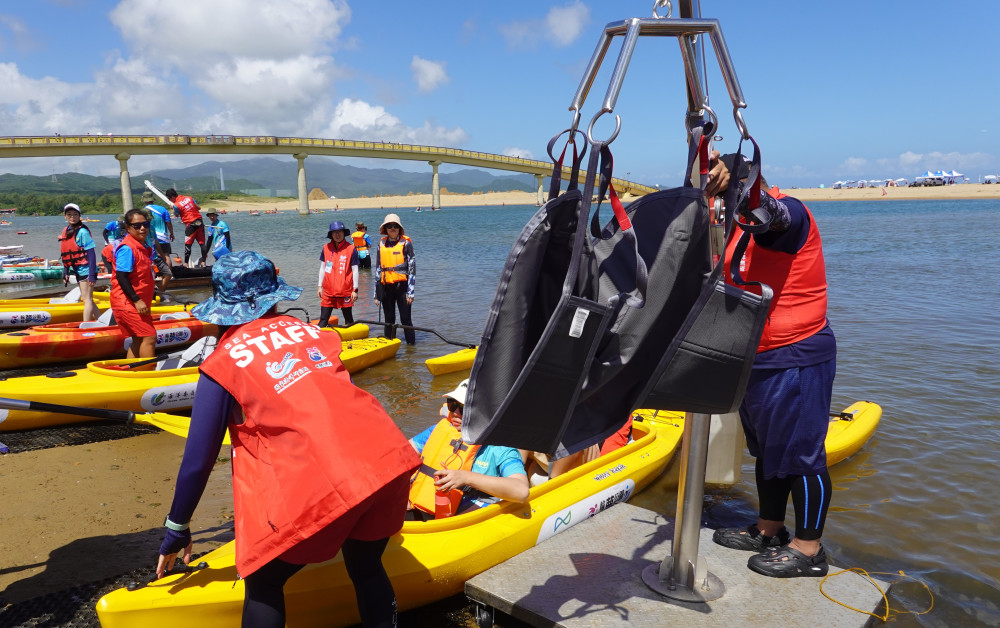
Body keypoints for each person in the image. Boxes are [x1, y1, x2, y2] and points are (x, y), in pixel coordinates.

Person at [155, 251, 420, 628]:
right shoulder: (315, 333)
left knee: (263, 582)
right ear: (274, 298)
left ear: (221, 310)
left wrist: (176, 528)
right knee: (366, 565)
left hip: (331, 485)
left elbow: (198, 460)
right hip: (389, 460)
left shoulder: (222, 363)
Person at [706, 153, 837, 579]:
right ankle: (770, 529)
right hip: (757, 356)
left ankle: (810, 548)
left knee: (802, 455)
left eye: (730, 189)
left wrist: (742, 193)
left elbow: (770, 216)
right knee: (767, 451)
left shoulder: (790, 212)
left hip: (796, 354)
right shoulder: (730, 228)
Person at [408, 379, 529, 519]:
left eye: (464, 408)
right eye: (452, 404)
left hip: (469, 513)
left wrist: (466, 478)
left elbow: (521, 491)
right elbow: (400, 455)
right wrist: (401, 493)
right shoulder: (438, 430)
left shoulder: (499, 447)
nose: (456, 413)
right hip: (426, 506)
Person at [111, 209, 157, 358]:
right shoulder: (127, 249)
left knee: (138, 338)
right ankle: (147, 374)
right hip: (128, 302)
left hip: (137, 302)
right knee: (149, 336)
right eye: (137, 226)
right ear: (128, 228)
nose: (142, 228)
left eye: (145, 224)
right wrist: (136, 300)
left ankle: (133, 371)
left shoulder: (142, 246)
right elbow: (121, 277)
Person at [373, 214, 415, 344]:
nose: (392, 228)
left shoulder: (406, 244)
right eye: (389, 226)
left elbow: (412, 270)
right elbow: (378, 269)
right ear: (385, 229)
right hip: (386, 288)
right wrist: (376, 294)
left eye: (395, 226)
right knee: (389, 319)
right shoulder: (381, 244)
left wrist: (410, 292)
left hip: (402, 288)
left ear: (399, 228)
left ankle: (411, 349)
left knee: (405, 319)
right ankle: (389, 345)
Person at [57, 202, 99, 321]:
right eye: (69, 214)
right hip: (77, 269)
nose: (72, 217)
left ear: (79, 216)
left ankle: (85, 326)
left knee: (87, 299)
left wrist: (91, 275)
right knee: (87, 298)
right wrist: (65, 271)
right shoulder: (66, 230)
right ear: (65, 216)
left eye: (75, 214)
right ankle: (101, 320)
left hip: (86, 269)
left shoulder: (82, 232)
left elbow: (91, 254)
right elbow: (65, 254)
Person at [318, 220, 359, 327]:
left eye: (340, 232)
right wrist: (319, 286)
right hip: (328, 291)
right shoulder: (326, 248)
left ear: (344, 233)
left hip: (345, 291)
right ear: (331, 234)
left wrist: (355, 290)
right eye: (335, 232)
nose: (338, 234)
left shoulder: (351, 249)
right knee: (323, 320)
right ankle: (320, 341)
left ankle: (352, 342)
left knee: (349, 320)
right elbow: (322, 268)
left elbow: (355, 270)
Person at [165, 188, 210, 267]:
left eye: (169, 199)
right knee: (202, 243)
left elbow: (176, 215)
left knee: (188, 244)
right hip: (199, 221)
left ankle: (185, 264)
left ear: (172, 197)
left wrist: (174, 208)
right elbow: (198, 208)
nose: (171, 200)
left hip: (191, 224)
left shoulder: (176, 205)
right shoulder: (189, 198)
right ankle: (203, 262)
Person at [141, 191, 175, 265]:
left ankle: (158, 275)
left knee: (154, 256)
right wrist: (172, 233)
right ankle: (170, 275)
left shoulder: (143, 211)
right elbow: (169, 223)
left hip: (151, 238)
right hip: (163, 237)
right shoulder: (162, 209)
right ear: (152, 199)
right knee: (166, 256)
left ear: (144, 200)